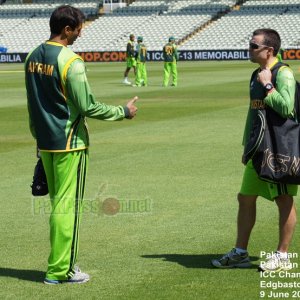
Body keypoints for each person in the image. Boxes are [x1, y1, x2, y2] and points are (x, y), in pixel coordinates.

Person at [25, 5, 138, 284]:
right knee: (67, 209)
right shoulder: (70, 61)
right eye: (78, 29)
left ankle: (58, 266)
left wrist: (38, 139)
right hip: (70, 144)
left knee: (57, 206)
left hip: (46, 143)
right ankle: (61, 270)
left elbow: (32, 106)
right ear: (66, 29)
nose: (79, 34)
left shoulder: (31, 57)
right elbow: (87, 106)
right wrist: (122, 112)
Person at [211, 28, 297, 272]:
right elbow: (254, 114)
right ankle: (240, 252)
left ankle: (282, 255)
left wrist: (268, 85)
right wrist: (247, 147)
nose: (248, 49)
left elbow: (287, 108)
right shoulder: (256, 73)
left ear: (269, 50)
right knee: (245, 197)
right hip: (258, 148)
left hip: (278, 150)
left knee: (283, 199)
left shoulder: (283, 74)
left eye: (253, 46)